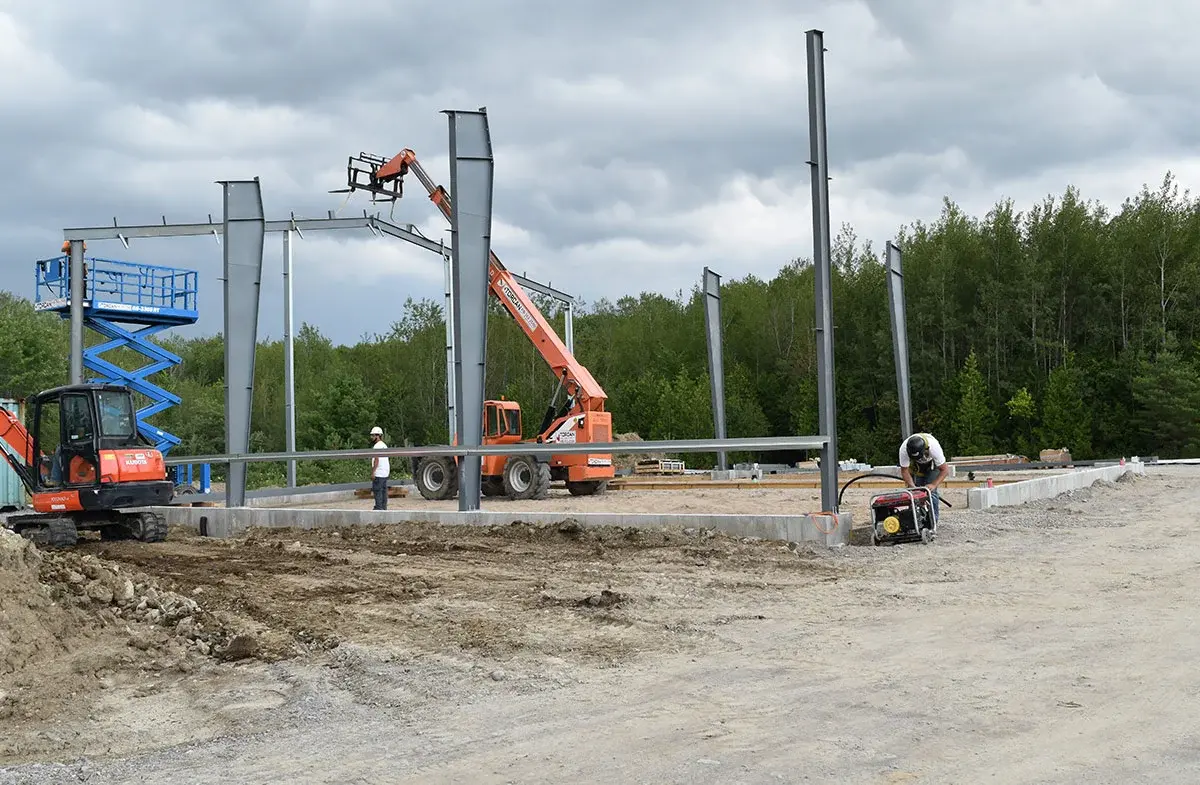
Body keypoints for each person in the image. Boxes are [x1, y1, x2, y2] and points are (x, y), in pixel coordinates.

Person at [899, 433, 951, 520]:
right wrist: (912, 487)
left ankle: (933, 521)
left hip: (932, 464)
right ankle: (915, 520)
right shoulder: (903, 450)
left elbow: (945, 470)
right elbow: (904, 471)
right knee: (915, 493)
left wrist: (933, 485)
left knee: (931, 492)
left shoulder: (934, 447)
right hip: (916, 465)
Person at [369, 426, 390, 510]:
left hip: (379, 472)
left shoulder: (377, 446)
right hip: (385, 473)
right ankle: (383, 509)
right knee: (384, 492)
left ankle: (379, 509)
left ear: (377, 436)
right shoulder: (384, 445)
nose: (371, 437)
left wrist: (373, 472)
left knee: (378, 492)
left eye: (373, 435)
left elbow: (376, 460)